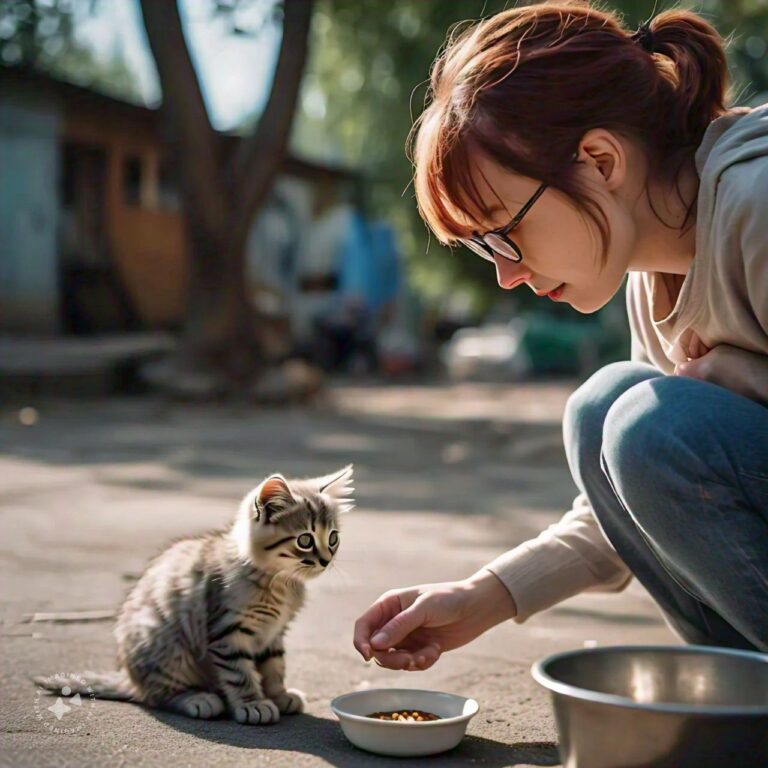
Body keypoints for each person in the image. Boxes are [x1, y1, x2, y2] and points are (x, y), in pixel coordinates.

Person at [353, 1, 768, 672]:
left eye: (504, 232)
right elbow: (646, 489)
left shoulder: (758, 201)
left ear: (600, 162)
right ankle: (744, 687)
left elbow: (668, 443)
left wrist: (741, 381)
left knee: (649, 422)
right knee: (607, 410)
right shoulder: (650, 275)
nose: (509, 274)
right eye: (485, 250)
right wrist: (483, 596)